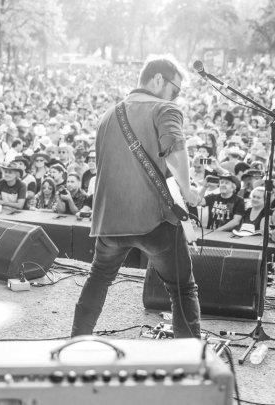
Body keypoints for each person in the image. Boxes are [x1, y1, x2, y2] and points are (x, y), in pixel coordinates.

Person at [71, 55, 202, 339]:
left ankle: (77, 342)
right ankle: (190, 358)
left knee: (98, 278)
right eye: (175, 89)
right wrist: (188, 190)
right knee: (182, 288)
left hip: (110, 221)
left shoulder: (108, 114)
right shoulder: (166, 108)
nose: (176, 97)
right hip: (153, 220)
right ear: (157, 79)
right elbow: (176, 151)